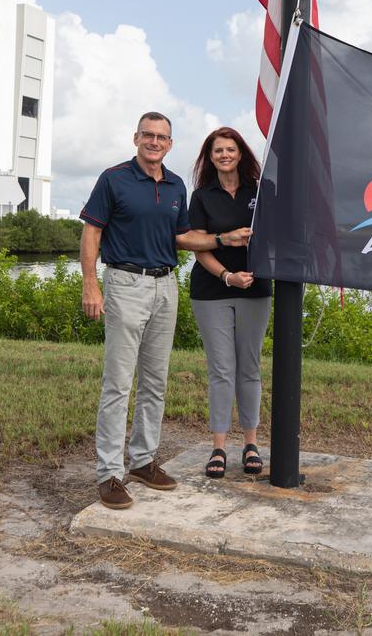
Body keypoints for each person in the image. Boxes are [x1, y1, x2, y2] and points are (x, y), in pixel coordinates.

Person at [80, 112, 252, 510]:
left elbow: (181, 236)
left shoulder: (175, 185)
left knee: (156, 381)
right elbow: (92, 231)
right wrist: (90, 282)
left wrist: (221, 237)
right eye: (149, 135)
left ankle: (142, 460)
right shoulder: (114, 178)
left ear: (171, 144)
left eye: (162, 137)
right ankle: (109, 473)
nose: (155, 142)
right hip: (125, 283)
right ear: (136, 137)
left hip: (165, 285)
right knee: (118, 383)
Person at [186, 127, 273, 479]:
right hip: (212, 290)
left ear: (241, 154)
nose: (224, 155)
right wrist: (227, 276)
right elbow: (196, 244)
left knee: (249, 368)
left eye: (230, 149)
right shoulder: (202, 196)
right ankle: (219, 447)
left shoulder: (261, 190)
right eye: (218, 150)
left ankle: (251, 443)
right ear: (210, 157)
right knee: (222, 370)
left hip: (255, 289)